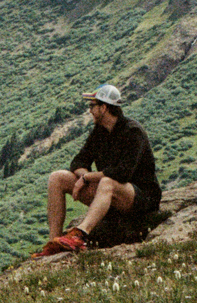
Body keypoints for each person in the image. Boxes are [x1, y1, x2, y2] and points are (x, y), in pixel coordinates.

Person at [37, 83, 160, 255]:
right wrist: (83, 176)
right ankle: (54, 242)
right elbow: (78, 161)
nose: (89, 110)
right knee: (57, 178)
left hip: (141, 198)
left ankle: (81, 235)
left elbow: (123, 173)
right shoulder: (99, 132)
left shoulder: (133, 132)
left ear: (103, 108)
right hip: (112, 193)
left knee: (107, 182)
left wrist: (88, 179)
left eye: (92, 106)